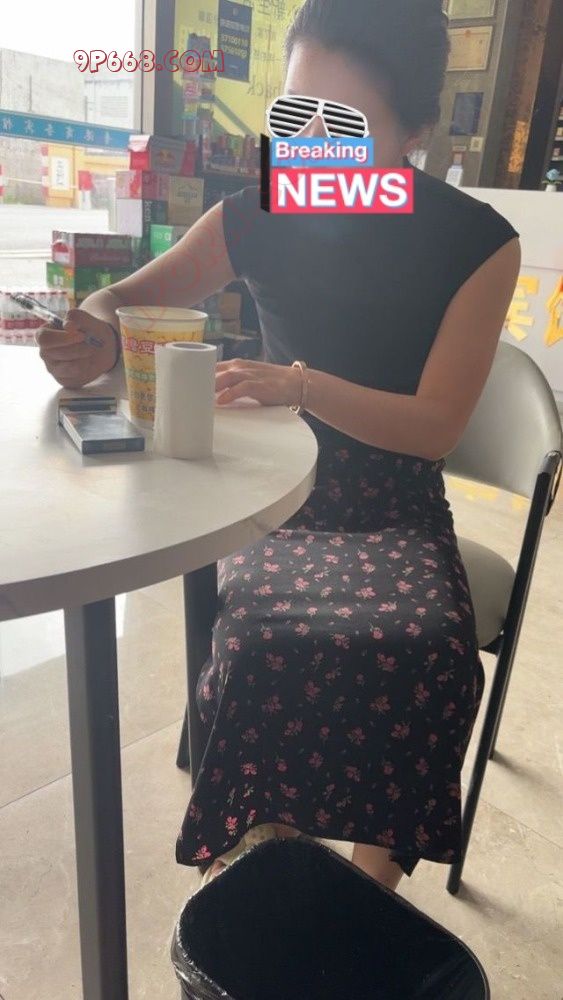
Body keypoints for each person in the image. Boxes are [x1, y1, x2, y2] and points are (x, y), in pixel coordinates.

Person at [37, 0, 520, 892]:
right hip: (265, 496)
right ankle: (258, 867)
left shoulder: (477, 243)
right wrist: (90, 333)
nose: (309, 145)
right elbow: (124, 301)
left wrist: (300, 386)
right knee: (267, 643)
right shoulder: (260, 210)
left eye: (342, 123)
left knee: (429, 649)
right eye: (293, 114)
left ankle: (366, 895)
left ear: (414, 129)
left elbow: (434, 427)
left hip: (393, 507)